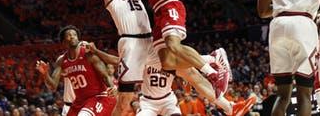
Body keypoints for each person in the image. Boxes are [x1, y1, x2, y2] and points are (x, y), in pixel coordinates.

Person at [84, 41, 256, 116]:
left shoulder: (170, 63)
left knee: (194, 76)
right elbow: (117, 61)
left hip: (167, 101)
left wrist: (187, 84)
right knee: (193, 74)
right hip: (148, 102)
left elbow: (190, 83)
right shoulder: (145, 61)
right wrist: (97, 51)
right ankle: (212, 59)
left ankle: (229, 106)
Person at [35, 25, 117, 116]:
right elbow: (53, 86)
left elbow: (105, 75)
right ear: (64, 42)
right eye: (69, 35)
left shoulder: (88, 55)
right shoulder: (61, 61)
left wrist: (111, 87)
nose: (72, 36)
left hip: (98, 97)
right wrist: (45, 73)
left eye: (74, 34)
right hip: (79, 101)